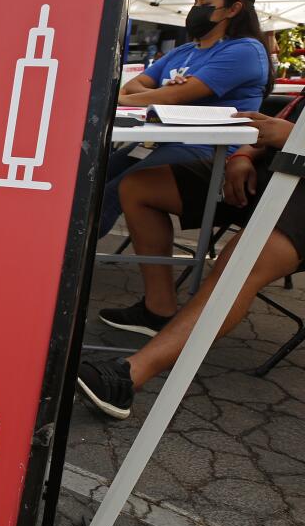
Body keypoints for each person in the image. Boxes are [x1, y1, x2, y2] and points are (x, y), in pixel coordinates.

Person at [78, 112, 303, 419]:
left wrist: (295, 138)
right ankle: (157, 310)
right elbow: (271, 124)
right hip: (269, 169)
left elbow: (288, 131)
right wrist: (243, 155)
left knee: (243, 261)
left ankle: (127, 377)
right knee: (138, 186)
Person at [98, 0, 271, 243]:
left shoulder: (245, 50)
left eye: (205, 2)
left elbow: (177, 96)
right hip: (160, 140)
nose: (196, 10)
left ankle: (64, 258)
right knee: (92, 176)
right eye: (195, 2)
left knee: (115, 190)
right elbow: (131, 89)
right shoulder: (185, 51)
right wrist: (162, 93)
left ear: (234, 8)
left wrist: (162, 93)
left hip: (207, 150)